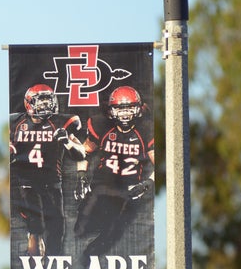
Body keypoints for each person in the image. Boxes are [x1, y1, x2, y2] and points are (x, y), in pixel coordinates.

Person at [73, 85, 155, 258]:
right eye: (120, 109)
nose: (125, 114)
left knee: (112, 233)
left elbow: (159, 163)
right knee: (80, 229)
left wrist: (148, 182)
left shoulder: (145, 130)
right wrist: (81, 176)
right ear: (111, 111)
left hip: (128, 190)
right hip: (101, 186)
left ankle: (88, 258)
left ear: (138, 109)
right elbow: (83, 152)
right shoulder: (103, 126)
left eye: (129, 108)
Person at [10, 84, 86, 257]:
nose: (45, 106)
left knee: (57, 228)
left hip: (52, 183)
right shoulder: (16, 123)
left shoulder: (60, 122)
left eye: (47, 102)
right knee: (35, 227)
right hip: (25, 183)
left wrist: (67, 141)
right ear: (29, 104)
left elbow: (81, 153)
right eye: (40, 102)